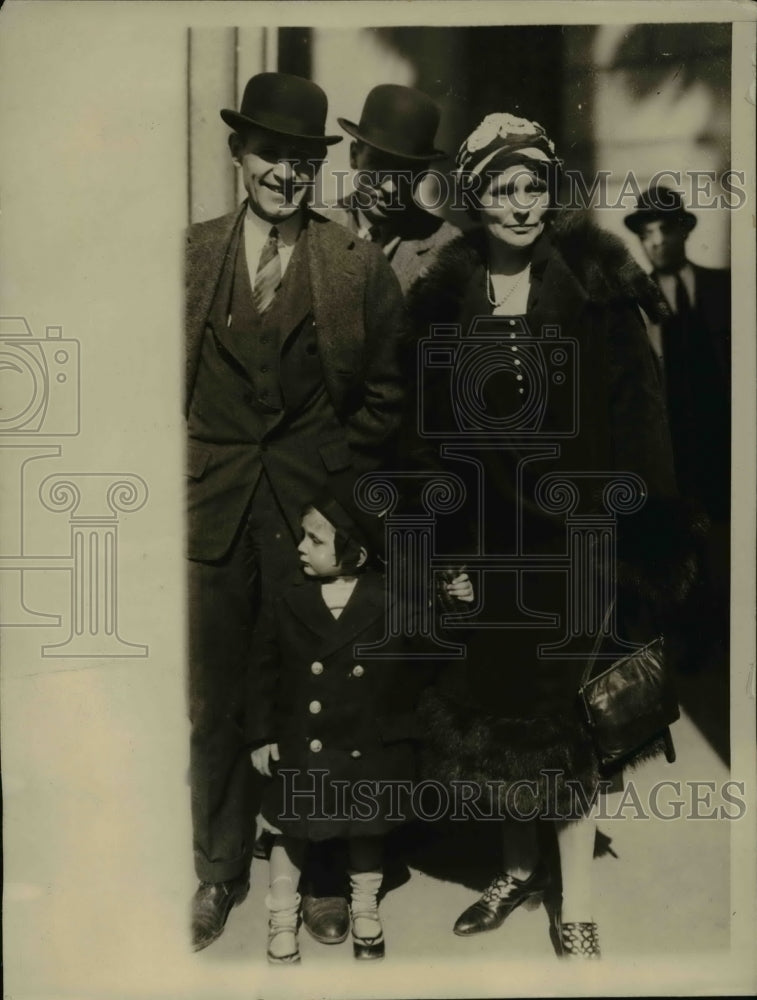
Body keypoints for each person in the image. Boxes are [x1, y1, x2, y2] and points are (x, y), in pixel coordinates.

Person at [405, 114, 697, 958]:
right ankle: (515, 868)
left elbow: (639, 423)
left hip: (575, 545)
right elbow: (427, 444)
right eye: (502, 188)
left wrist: (643, 545)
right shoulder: (442, 302)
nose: (521, 204)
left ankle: (576, 902)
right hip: (485, 551)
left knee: (570, 730)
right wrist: (444, 557)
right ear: (473, 197)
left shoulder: (597, 289)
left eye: (533, 185)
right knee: (496, 717)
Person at [186, 71, 408, 952]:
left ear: (319, 167)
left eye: (303, 159)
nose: (285, 171)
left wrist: (339, 499)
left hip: (311, 517)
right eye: (271, 152)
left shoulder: (351, 265)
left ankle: (320, 877)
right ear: (239, 152)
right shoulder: (190, 254)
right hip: (213, 513)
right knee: (217, 703)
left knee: (323, 702)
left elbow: (387, 400)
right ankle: (218, 870)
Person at [247, 491, 474, 963]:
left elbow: (434, 648)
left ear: (356, 552)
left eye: (315, 539)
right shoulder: (288, 599)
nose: (301, 548)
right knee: (289, 829)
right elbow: (262, 671)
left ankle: (366, 908)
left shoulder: (388, 600)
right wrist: (261, 734)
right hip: (301, 742)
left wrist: (455, 606)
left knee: (365, 829)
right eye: (303, 537)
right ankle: (282, 916)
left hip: (365, 742)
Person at [623, 183, 730, 524]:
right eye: (646, 233)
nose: (655, 241)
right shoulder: (633, 301)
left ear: (683, 231)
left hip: (726, 439)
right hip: (673, 449)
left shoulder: (726, 288)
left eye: (665, 229)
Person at [325, 84, 460, 295]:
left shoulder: (446, 247)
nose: (390, 187)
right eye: (377, 165)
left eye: (406, 171)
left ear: (423, 173)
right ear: (353, 156)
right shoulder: (315, 226)